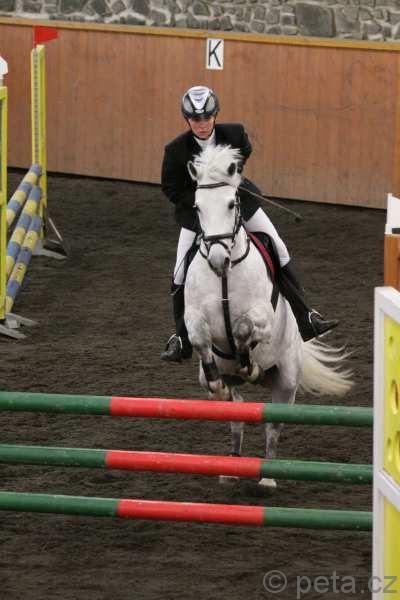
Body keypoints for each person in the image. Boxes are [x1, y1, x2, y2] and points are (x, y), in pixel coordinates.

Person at [160, 85, 338, 363]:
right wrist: (204, 200)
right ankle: (181, 339)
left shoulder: (235, 134)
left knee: (278, 247)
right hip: (200, 214)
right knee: (179, 270)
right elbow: (170, 189)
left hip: (238, 204)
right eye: (195, 119)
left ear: (215, 115)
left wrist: (228, 186)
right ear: (187, 120)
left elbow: (244, 153)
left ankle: (307, 317)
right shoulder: (175, 150)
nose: (202, 124)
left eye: (207, 117)